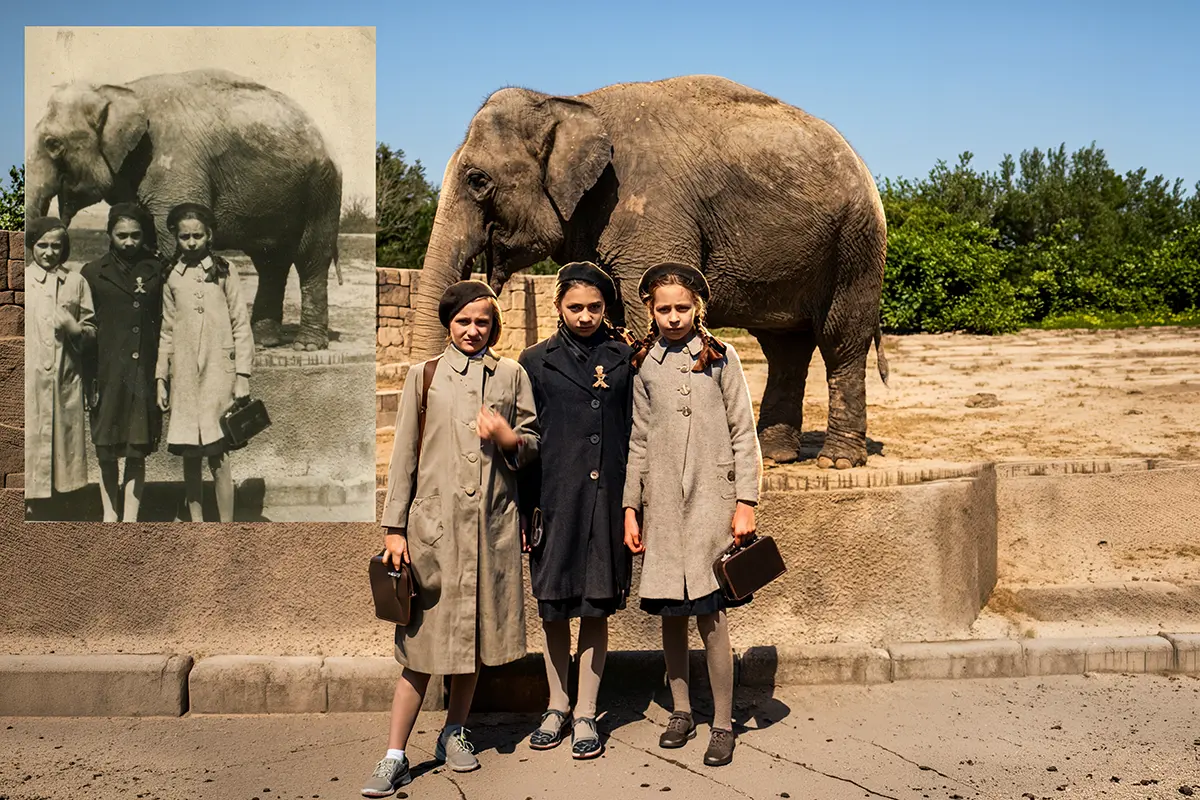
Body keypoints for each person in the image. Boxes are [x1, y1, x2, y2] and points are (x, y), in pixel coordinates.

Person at [363, 280, 540, 797]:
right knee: (421, 650)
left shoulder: (511, 375)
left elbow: (532, 443)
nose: (472, 330)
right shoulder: (425, 376)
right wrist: (395, 530)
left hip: (490, 531)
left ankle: (454, 731)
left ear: (494, 325)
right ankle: (394, 754)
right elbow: (404, 459)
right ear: (448, 323)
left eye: (482, 321)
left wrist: (509, 439)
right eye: (463, 321)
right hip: (434, 536)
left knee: (473, 644)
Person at [622, 262, 762, 767]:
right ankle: (681, 710)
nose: (674, 317)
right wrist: (630, 508)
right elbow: (637, 440)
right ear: (649, 310)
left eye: (683, 307)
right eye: (664, 309)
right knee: (671, 616)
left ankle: (722, 722)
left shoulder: (722, 358)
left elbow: (744, 433)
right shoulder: (644, 365)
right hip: (661, 509)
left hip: (712, 505)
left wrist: (745, 502)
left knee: (712, 614)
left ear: (697, 307)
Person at [517, 262, 635, 759]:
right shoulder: (534, 361)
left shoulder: (626, 357)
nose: (585, 316)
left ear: (605, 308)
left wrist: (633, 506)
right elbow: (526, 438)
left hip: (606, 500)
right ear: (558, 307)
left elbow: (636, 435)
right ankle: (556, 705)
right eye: (575, 307)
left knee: (594, 606)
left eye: (594, 307)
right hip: (555, 501)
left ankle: (585, 711)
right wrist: (527, 510)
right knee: (554, 608)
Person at [155, 203, 254, 522]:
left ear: (209, 235)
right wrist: (161, 378)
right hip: (184, 375)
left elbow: (241, 323)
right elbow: (166, 329)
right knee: (191, 453)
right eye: (184, 236)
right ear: (176, 236)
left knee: (219, 452)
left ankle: (227, 525)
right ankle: (196, 523)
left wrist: (242, 375)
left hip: (218, 375)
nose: (192, 242)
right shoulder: (171, 276)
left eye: (197, 235)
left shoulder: (225, 271)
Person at [81, 203, 165, 522]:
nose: (129, 242)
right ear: (109, 235)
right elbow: (87, 329)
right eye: (121, 236)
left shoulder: (157, 270)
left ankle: (130, 519)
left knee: (136, 448)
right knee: (106, 448)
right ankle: (109, 514)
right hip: (107, 374)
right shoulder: (92, 272)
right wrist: (90, 381)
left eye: (135, 235)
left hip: (141, 373)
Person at [24, 217, 96, 519]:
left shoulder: (76, 282)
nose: (49, 252)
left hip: (66, 377)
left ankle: (64, 503)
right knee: (29, 440)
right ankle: (29, 501)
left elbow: (91, 330)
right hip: (29, 379)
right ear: (31, 246)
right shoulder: (22, 279)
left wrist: (75, 328)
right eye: (42, 245)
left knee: (63, 444)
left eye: (56, 246)